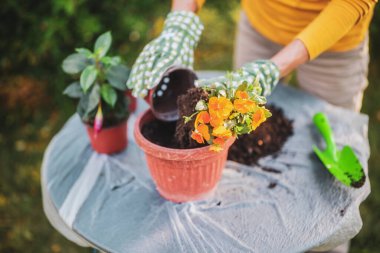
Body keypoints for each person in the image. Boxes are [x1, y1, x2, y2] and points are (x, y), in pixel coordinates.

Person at [127, 0, 377, 250]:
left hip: (335, 38)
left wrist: (274, 68)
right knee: (238, 132)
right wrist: (180, 22)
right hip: (261, 24)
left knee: (333, 200)